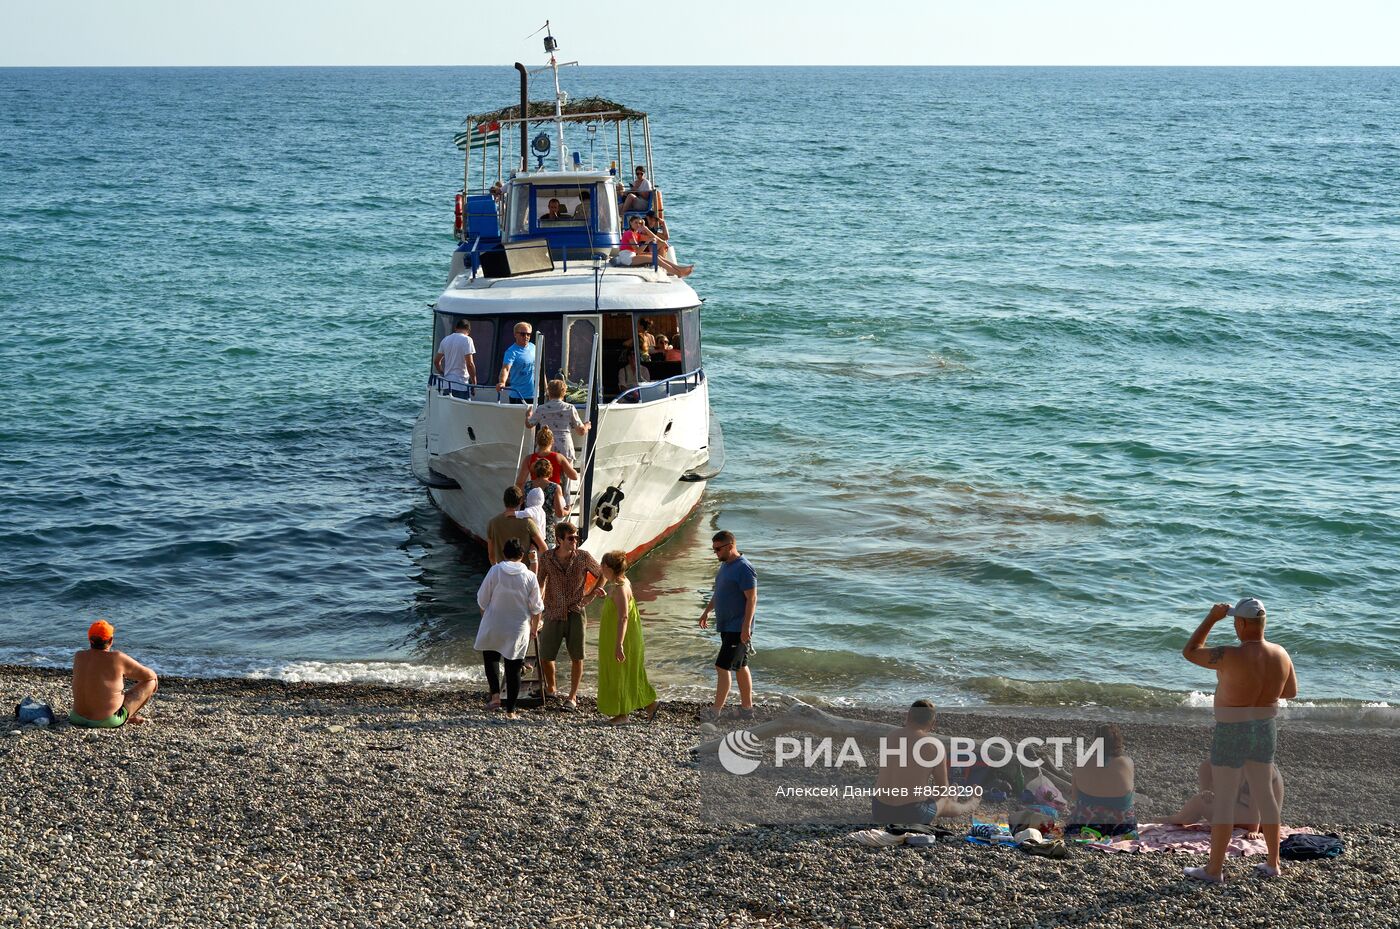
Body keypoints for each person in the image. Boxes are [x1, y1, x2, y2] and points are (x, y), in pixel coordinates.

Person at [1181, 597, 1296, 883]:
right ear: (1263, 623)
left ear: (1241, 623)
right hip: (1264, 728)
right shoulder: (1281, 654)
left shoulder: (1230, 655)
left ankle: (1214, 870)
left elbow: (1190, 651)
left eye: (1235, 622)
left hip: (1232, 730)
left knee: (1225, 800)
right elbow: (1290, 692)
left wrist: (1211, 618)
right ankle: (1272, 863)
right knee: (1266, 797)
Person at [873, 701, 981, 823]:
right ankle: (970, 805)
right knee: (945, 802)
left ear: (908, 716)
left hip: (880, 810)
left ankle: (953, 796)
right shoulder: (933, 746)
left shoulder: (890, 736)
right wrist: (948, 795)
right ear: (932, 724)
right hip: (911, 815)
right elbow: (943, 791)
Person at [537, 522, 605, 710]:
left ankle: (572, 696)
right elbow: (540, 581)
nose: (575, 541)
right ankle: (551, 688)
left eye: (576, 537)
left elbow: (602, 573)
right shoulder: (546, 558)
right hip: (553, 612)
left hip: (576, 611)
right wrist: (537, 603)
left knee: (577, 656)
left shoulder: (583, 557)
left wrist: (592, 594)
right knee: (546, 655)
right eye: (571, 538)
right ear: (559, 540)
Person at [474, 538, 544, 718]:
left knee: (491, 658)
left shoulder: (495, 571)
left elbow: (482, 599)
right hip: (518, 626)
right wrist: (534, 629)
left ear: (504, 554)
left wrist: (486, 615)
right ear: (522, 556)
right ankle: (511, 711)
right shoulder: (529, 576)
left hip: (495, 622)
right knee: (513, 668)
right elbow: (537, 607)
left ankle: (495, 697)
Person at [697, 530, 757, 721]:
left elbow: (752, 598)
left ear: (730, 546)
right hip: (727, 625)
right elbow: (719, 592)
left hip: (738, 627)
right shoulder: (725, 566)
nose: (715, 553)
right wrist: (707, 611)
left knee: (721, 667)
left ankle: (715, 712)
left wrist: (746, 626)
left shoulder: (744, 568)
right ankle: (747, 710)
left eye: (718, 549)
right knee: (740, 666)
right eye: (713, 549)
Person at [595, 551, 659, 724]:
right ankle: (650, 705)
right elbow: (617, 605)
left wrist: (619, 644)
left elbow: (624, 617)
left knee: (621, 673)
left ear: (607, 567)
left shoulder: (621, 589)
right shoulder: (620, 584)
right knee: (629, 673)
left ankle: (623, 714)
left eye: (602, 565)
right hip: (617, 636)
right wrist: (606, 596)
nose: (600, 568)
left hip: (623, 638)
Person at [69, 621, 158, 728]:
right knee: (151, 682)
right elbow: (149, 675)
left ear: (89, 639)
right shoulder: (117, 658)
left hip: (76, 717)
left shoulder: (79, 656)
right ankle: (126, 717)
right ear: (111, 640)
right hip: (106, 721)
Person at [1168, 761, 1284, 837]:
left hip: (1261, 821)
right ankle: (1175, 819)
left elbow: (1257, 801)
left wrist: (1253, 830)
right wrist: (1205, 790)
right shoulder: (1252, 760)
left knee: (1198, 802)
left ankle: (1171, 819)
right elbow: (1206, 766)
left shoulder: (1256, 766)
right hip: (1255, 815)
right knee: (1200, 803)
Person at [1065, 724, 1137, 838]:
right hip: (1121, 826)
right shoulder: (1127, 763)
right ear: (1118, 742)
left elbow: (1074, 796)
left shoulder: (1081, 763)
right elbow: (1131, 796)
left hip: (1086, 823)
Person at [526, 379, 590, 464]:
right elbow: (581, 431)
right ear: (564, 393)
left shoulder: (541, 408)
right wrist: (587, 426)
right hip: (564, 447)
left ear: (548, 392)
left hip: (545, 447)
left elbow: (529, 424)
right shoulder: (569, 408)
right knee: (565, 475)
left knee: (544, 473)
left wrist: (528, 415)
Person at [487, 485, 545, 569]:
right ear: (521, 501)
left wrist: (497, 569)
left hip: (502, 571)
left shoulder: (492, 523)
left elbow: (491, 555)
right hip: (524, 572)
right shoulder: (528, 522)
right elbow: (543, 548)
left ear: (504, 500)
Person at [615, 217, 694, 278]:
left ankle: (679, 268)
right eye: (635, 222)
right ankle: (678, 273)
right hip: (626, 258)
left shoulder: (636, 234)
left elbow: (655, 238)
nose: (637, 225)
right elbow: (638, 251)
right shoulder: (629, 233)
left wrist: (645, 227)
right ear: (630, 222)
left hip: (632, 255)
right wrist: (647, 242)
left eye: (639, 223)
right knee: (654, 258)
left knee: (657, 255)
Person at [521, 458, 567, 547]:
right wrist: (567, 510)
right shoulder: (555, 487)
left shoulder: (527, 485)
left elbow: (522, 504)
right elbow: (559, 513)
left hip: (529, 529)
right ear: (550, 470)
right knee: (546, 557)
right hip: (546, 530)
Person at [515, 426, 580, 490]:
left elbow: (519, 483)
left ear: (537, 441)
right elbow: (574, 476)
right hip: (553, 495)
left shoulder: (529, 459)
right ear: (552, 441)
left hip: (535, 495)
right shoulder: (559, 457)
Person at [433, 317, 477, 393]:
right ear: (468, 330)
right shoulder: (467, 340)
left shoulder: (445, 339)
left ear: (456, 328)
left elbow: (436, 361)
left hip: (447, 384)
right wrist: (474, 382)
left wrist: (442, 372)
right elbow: (469, 364)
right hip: (461, 385)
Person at [496, 322, 537, 403]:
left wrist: (546, 388)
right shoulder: (511, 351)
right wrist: (502, 382)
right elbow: (506, 369)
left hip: (535, 395)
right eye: (522, 334)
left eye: (528, 334)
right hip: (518, 396)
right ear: (515, 334)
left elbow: (540, 369)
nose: (526, 337)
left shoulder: (534, 347)